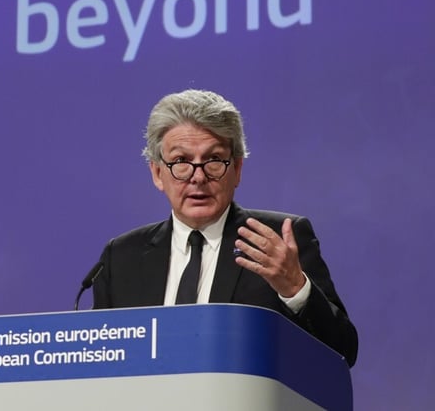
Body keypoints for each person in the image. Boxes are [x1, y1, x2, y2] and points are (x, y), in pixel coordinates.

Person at [90, 89, 358, 367]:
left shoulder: (279, 242)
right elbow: (100, 364)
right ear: (157, 173)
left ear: (238, 169)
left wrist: (295, 289)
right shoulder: (122, 257)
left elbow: (343, 352)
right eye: (181, 162)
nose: (198, 177)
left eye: (214, 160)